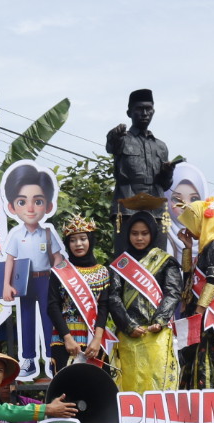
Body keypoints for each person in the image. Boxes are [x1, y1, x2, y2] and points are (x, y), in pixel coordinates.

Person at [0, 164, 67, 380]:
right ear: (12, 206)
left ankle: (51, 359)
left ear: (47, 205)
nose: (30, 208)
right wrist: (6, 285)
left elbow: (57, 257)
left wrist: (62, 266)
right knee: (26, 320)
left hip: (46, 281)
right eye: (22, 201)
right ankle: (28, 360)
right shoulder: (16, 235)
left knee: (48, 320)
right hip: (23, 281)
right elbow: (9, 260)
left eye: (37, 201)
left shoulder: (47, 233)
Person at [103, 211, 182, 393]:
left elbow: (173, 292)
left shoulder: (165, 261)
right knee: (131, 384)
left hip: (157, 334)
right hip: (129, 335)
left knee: (158, 383)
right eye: (134, 233)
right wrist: (128, 325)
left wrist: (159, 321)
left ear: (152, 234)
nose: (139, 238)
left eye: (144, 233)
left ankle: (160, 421)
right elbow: (113, 297)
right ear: (128, 234)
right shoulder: (120, 264)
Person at [175, 198, 214, 391]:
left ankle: (209, 409)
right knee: (195, 359)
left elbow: (212, 281)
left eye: (191, 224)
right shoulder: (205, 247)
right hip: (202, 314)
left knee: (206, 361)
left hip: (210, 317)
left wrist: (199, 310)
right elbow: (189, 278)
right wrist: (187, 248)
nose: (189, 229)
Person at [106, 89, 177, 252]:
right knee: (125, 258)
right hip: (127, 206)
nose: (144, 113)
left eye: (148, 109)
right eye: (139, 109)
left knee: (158, 257)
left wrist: (168, 172)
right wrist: (114, 135)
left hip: (157, 208)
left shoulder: (161, 146)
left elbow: (165, 185)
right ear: (129, 112)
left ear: (153, 111)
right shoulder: (122, 139)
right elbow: (111, 145)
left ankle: (157, 279)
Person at [47, 215, 110, 370]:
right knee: (66, 388)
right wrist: (67, 338)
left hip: (93, 339)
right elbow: (52, 306)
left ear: (90, 240)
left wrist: (97, 339)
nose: (78, 244)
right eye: (73, 240)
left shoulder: (102, 272)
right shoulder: (59, 271)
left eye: (83, 239)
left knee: (94, 387)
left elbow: (104, 306)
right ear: (68, 244)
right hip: (64, 339)